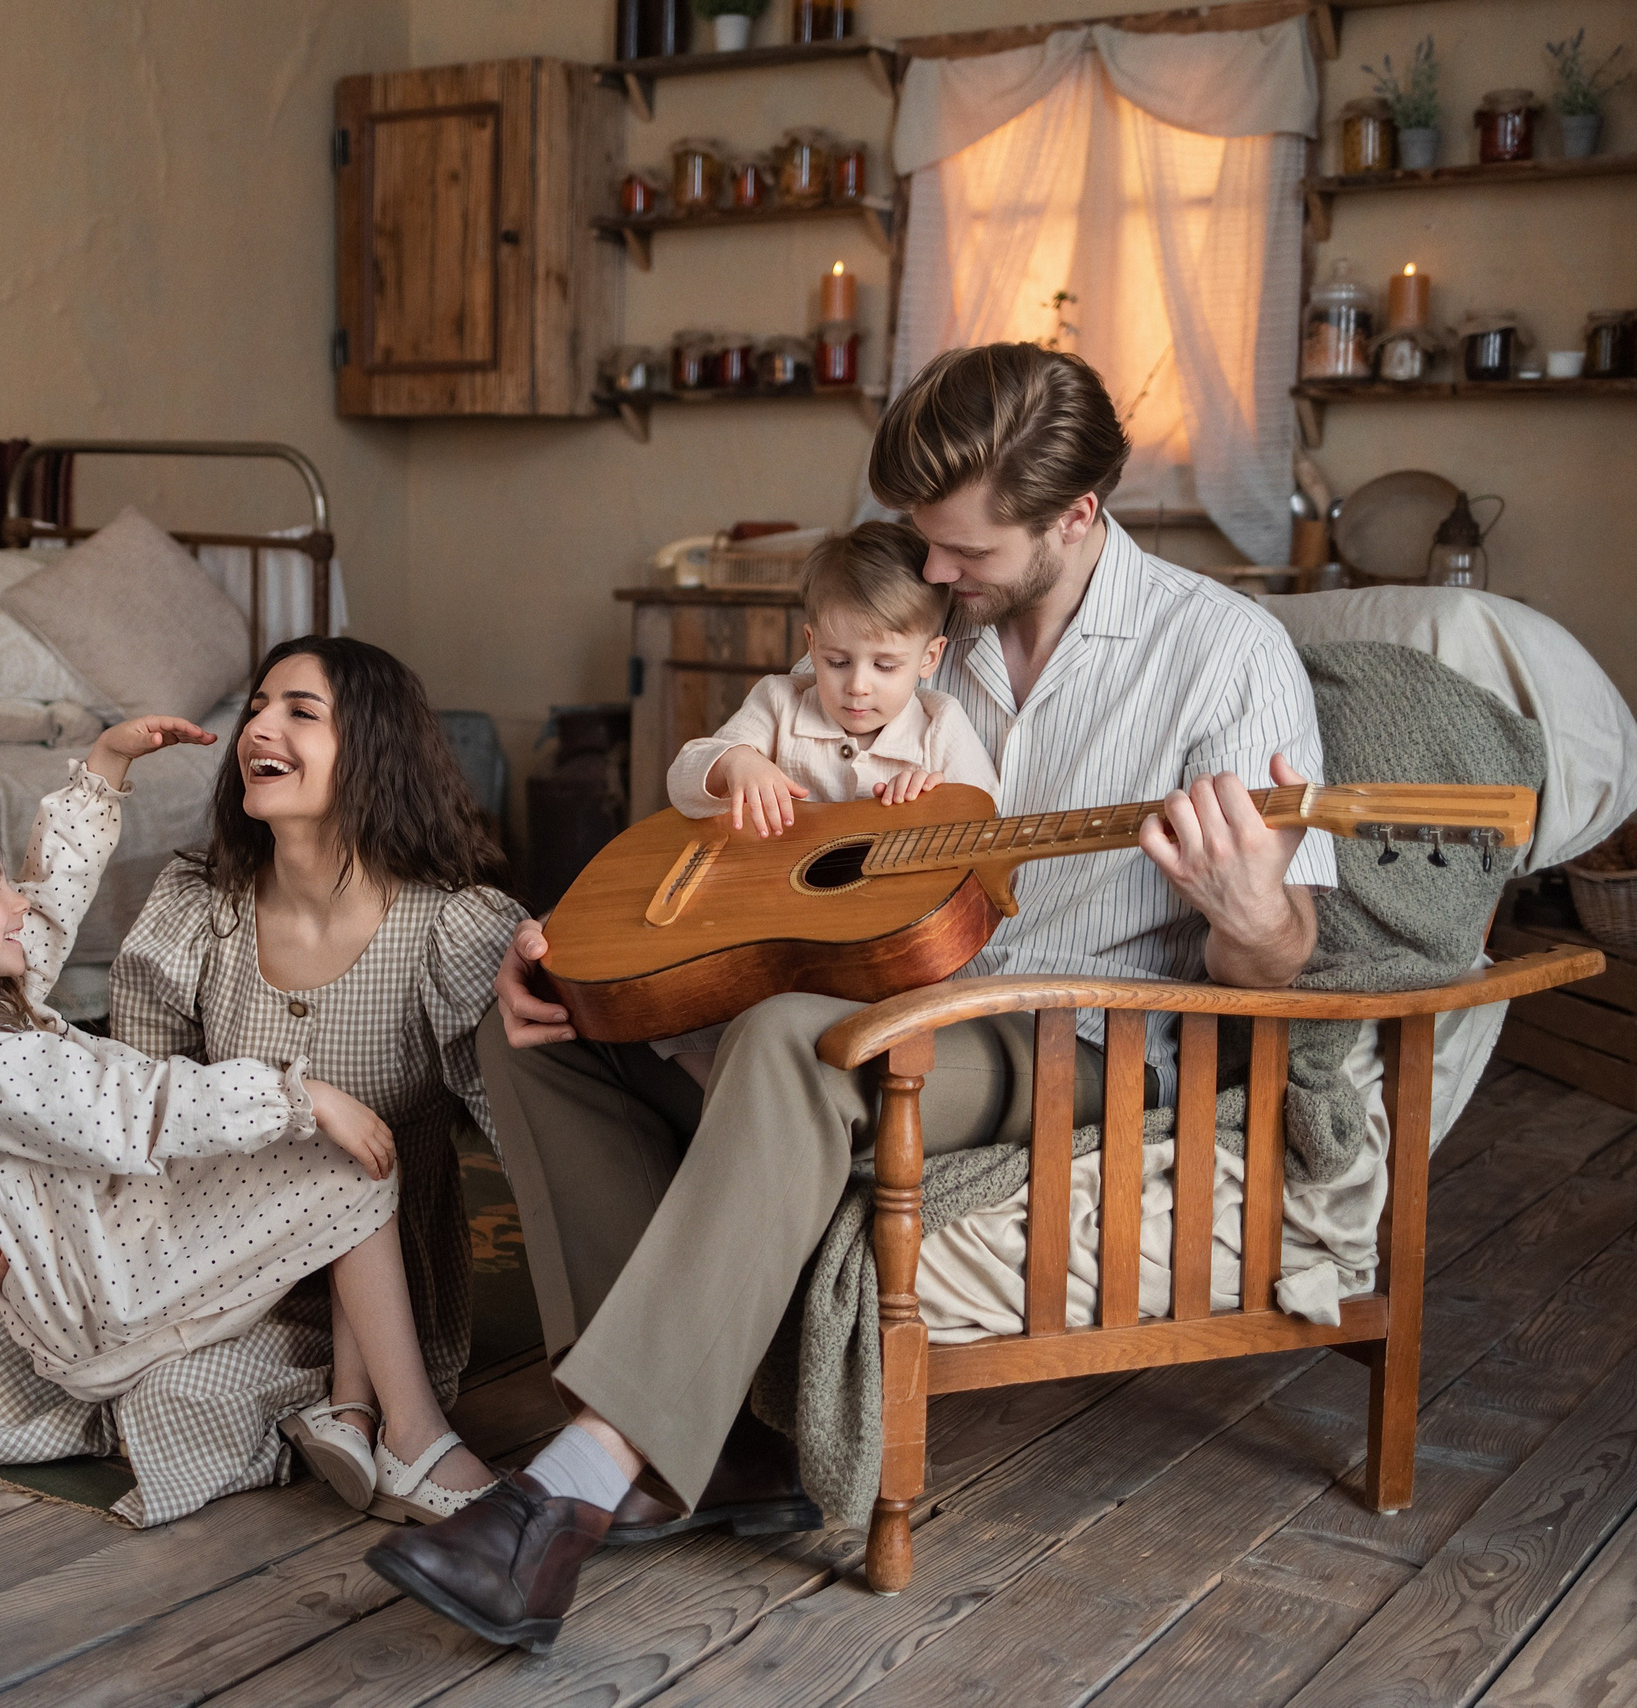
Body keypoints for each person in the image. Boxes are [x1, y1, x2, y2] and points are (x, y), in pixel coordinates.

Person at [366, 342, 1337, 1655]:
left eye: (966, 553)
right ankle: (718, 1455)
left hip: (1075, 1041)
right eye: (926, 546)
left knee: (792, 1035)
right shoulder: (912, 636)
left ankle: (578, 1484)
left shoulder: (1225, 656)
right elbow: (757, 818)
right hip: (863, 986)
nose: (936, 574)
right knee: (535, 1026)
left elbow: (1280, 967)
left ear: (1078, 517)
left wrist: (1254, 910)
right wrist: (608, 942)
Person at [0, 709, 490, 1531]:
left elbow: (47, 909)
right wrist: (298, 1096)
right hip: (116, 1289)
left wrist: (104, 769)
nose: (18, 901)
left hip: (91, 1275)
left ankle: (346, 1412)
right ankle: (412, 1435)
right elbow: (140, 1104)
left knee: (323, 1169)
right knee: (351, 1163)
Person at [650, 518, 999, 1086]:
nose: (858, 685)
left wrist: (933, 805)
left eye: (886, 665)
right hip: (769, 937)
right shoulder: (780, 702)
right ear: (811, 645)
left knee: (848, 1030)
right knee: (672, 1011)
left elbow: (988, 829)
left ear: (929, 658)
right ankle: (727, 1094)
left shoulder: (940, 726)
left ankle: (771, 1096)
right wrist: (735, 763)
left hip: (881, 957)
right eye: (838, 662)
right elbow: (685, 776)